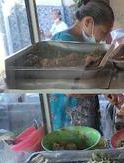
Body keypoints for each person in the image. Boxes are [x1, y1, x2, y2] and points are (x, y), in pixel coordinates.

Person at [49, 0, 114, 131]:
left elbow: (90, 75)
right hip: (68, 118)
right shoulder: (62, 42)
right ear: (88, 22)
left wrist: (105, 91)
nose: (104, 38)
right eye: (103, 32)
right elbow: (70, 90)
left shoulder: (88, 43)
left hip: (87, 110)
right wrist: (102, 89)